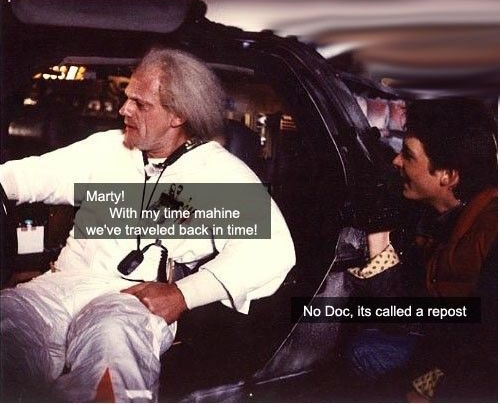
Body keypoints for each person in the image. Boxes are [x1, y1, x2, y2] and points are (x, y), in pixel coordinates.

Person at [0, 48, 295, 402]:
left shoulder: (218, 174)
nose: (123, 110)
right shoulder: (106, 149)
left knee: (113, 354)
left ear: (178, 115)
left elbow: (271, 250)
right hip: (57, 288)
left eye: (140, 104)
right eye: (127, 98)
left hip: (129, 301)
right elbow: (25, 177)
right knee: (7, 325)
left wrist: (184, 295)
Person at [346, 98, 497, 401]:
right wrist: (379, 235)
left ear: (447, 176)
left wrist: (431, 388)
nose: (396, 161)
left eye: (408, 155)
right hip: (444, 346)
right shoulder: (438, 217)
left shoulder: (490, 234)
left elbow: (488, 346)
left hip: (466, 370)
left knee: (365, 351)